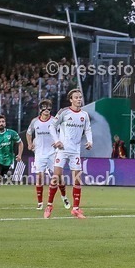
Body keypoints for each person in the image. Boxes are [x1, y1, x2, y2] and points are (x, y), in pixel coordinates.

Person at [45, 88, 92, 219]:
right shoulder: (64, 112)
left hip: (75, 151)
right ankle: (49, 206)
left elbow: (88, 129)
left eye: (80, 97)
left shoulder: (84, 115)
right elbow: (51, 126)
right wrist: (57, 140)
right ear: (71, 99)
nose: (79, 99)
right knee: (56, 177)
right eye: (76, 97)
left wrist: (90, 141)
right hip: (62, 150)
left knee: (77, 180)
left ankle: (75, 209)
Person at [26, 100, 69, 211]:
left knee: (58, 177)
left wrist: (58, 141)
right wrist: (30, 143)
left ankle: (64, 196)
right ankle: (40, 202)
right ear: (40, 109)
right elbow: (28, 133)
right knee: (39, 177)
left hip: (53, 152)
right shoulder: (35, 121)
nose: (47, 110)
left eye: (49, 108)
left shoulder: (55, 121)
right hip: (39, 153)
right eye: (45, 108)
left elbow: (62, 133)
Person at [0, 115, 24, 207]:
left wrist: (19, 154)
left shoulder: (12, 133)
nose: (1, 123)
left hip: (8, 162)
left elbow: (20, 143)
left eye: (3, 121)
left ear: (5, 123)